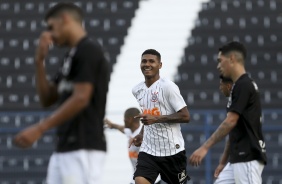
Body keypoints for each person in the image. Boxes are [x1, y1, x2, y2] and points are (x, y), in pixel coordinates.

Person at [13, 2, 110, 184]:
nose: (49, 34)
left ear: (64, 19)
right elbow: (47, 98)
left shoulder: (88, 50)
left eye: (51, 27)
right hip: (65, 147)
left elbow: (81, 98)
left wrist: (40, 128)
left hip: (83, 147)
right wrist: (39, 61)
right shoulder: (71, 56)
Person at [189, 41, 267, 184]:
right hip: (238, 157)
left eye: (220, 61)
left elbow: (230, 121)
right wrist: (223, 161)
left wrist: (205, 147)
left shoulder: (244, 85)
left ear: (231, 58)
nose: (219, 66)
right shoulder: (239, 86)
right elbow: (234, 130)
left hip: (248, 156)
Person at [130, 49, 191, 184]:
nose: (147, 64)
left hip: (172, 151)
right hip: (149, 151)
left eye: (152, 61)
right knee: (140, 181)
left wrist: (156, 119)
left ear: (160, 65)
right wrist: (141, 133)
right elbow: (148, 115)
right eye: (144, 61)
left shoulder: (168, 87)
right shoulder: (137, 90)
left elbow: (185, 116)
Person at [104, 108, 161, 184]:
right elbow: (122, 128)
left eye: (124, 119)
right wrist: (112, 125)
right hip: (136, 178)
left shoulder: (143, 133)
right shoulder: (130, 131)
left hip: (149, 178)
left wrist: (137, 140)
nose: (123, 121)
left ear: (130, 119)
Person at [213, 75, 233, 179]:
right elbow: (231, 136)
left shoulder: (239, 101)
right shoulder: (231, 103)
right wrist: (222, 163)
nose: (220, 88)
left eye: (221, 85)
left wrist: (205, 147)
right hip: (235, 160)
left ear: (228, 86)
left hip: (248, 158)